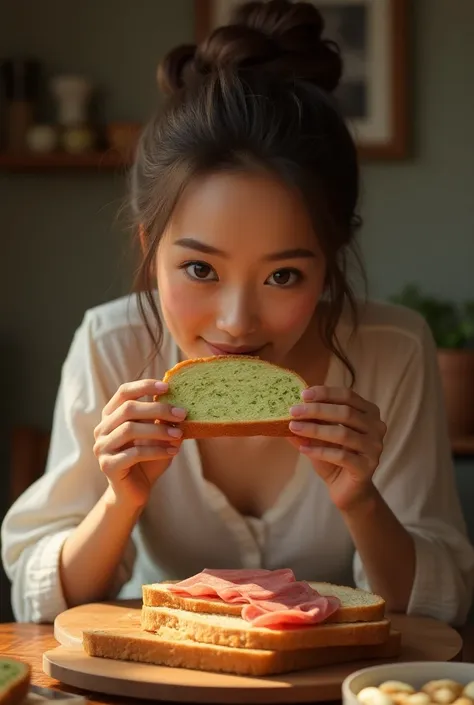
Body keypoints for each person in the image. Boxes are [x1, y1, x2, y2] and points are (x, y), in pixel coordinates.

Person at [2, 0, 473, 626]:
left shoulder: (392, 348)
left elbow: (437, 610)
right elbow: (39, 600)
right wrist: (121, 500)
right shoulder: (110, 343)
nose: (237, 322)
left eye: (284, 275)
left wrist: (360, 498)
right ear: (151, 248)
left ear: (329, 264)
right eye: (200, 269)